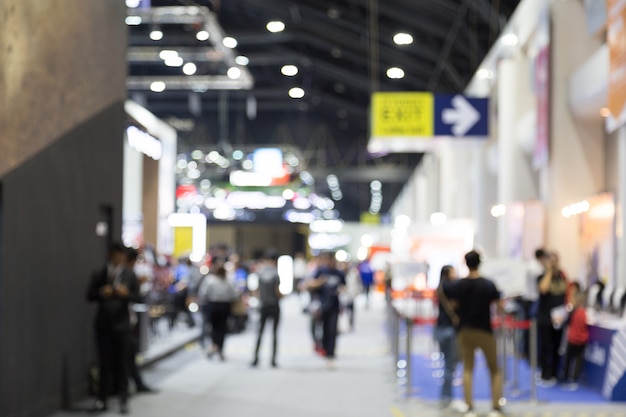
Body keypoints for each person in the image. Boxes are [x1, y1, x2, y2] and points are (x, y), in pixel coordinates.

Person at [86, 243, 140, 414]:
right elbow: (89, 295)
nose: (119, 259)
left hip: (122, 325)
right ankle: (102, 398)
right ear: (110, 255)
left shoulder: (130, 275)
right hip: (104, 325)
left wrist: (127, 294)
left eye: (122, 256)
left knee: (122, 363)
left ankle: (123, 399)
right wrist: (103, 292)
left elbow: (138, 297)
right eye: (116, 255)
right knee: (104, 363)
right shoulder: (101, 274)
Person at [449, 250, 503, 417]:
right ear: (480, 262)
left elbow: (453, 306)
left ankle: (469, 406)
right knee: (494, 369)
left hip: (465, 330)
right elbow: (500, 306)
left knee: (467, 368)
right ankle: (495, 407)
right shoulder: (488, 284)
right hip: (485, 330)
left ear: (466, 263)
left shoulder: (459, 285)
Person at [306, 252, 346, 369]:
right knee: (322, 329)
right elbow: (310, 284)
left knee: (332, 330)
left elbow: (344, 285)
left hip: (334, 305)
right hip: (321, 306)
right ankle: (323, 348)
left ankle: (331, 354)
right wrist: (320, 282)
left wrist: (342, 290)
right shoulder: (321, 271)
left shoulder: (339, 273)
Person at [125, 248, 156, 394]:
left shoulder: (130, 275)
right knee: (129, 353)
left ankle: (135, 383)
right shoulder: (124, 275)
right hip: (121, 322)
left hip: (129, 319)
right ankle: (131, 385)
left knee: (131, 353)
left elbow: (137, 296)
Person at [537, 251, 568, 386]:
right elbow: (543, 289)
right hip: (545, 316)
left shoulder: (562, 276)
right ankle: (545, 373)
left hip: (559, 317)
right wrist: (548, 271)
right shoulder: (542, 276)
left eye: (556, 260)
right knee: (546, 346)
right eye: (551, 261)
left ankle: (555, 372)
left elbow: (567, 292)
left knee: (557, 346)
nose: (554, 263)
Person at [198, 262, 237, 361]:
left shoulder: (210, 280)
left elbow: (203, 293)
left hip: (213, 306)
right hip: (224, 307)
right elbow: (234, 295)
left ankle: (214, 346)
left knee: (213, 328)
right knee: (222, 328)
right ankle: (219, 348)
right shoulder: (228, 281)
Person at [434, 265, 459, 407]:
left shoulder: (440, 287)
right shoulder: (451, 287)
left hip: (440, 328)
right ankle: (447, 396)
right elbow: (454, 305)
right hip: (449, 329)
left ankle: (445, 394)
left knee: (447, 363)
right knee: (450, 365)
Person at [251, 252, 282, 367]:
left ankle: (255, 358)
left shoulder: (260, 273)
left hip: (263, 305)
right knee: (274, 333)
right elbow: (277, 292)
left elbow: (256, 291)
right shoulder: (275, 274)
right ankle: (273, 360)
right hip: (274, 305)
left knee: (260, 332)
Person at [561, 284, 589, 390]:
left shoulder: (574, 312)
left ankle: (566, 377)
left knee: (569, 359)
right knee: (577, 360)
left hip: (573, 340)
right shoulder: (584, 313)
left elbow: (567, 323)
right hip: (581, 341)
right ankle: (574, 378)